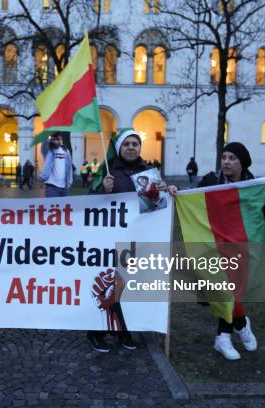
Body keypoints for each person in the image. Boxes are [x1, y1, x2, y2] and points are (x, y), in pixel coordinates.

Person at [87, 129, 175, 352]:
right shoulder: (107, 171)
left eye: (135, 143)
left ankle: (123, 331)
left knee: (129, 288)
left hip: (139, 240)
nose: (131, 147)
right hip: (110, 239)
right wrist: (102, 190)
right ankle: (96, 331)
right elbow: (89, 202)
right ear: (119, 148)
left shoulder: (148, 172)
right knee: (110, 285)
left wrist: (170, 191)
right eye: (127, 144)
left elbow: (157, 204)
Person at [193, 142, 265, 360]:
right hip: (213, 247)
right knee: (222, 291)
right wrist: (176, 193)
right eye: (224, 157)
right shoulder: (211, 181)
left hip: (241, 248)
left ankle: (223, 337)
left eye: (232, 158)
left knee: (231, 291)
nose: (227, 162)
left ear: (242, 163)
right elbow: (192, 202)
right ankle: (240, 324)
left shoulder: (253, 186)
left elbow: (261, 215)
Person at [41, 132, 73, 197]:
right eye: (53, 138)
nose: (55, 140)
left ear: (60, 139)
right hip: (51, 187)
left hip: (64, 187)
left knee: (65, 206)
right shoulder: (48, 150)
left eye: (57, 138)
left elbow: (69, 167)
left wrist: (70, 181)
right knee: (51, 206)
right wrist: (50, 136)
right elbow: (44, 142)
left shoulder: (66, 151)